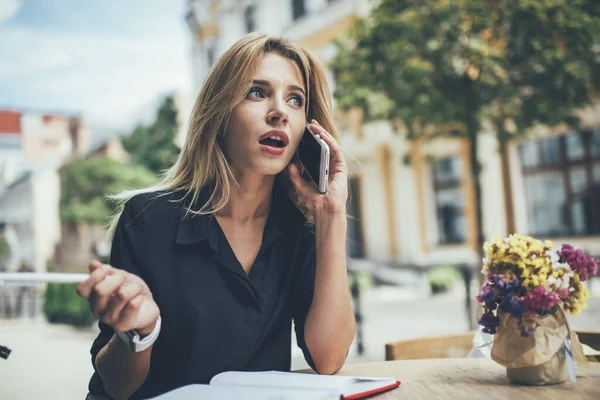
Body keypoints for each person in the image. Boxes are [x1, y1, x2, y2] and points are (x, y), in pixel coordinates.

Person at [77, 32, 356, 400]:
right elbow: (115, 384)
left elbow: (328, 359)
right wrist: (140, 332)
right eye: (257, 92)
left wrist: (332, 215)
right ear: (220, 112)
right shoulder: (147, 219)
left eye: (295, 99)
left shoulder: (300, 233)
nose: (279, 112)